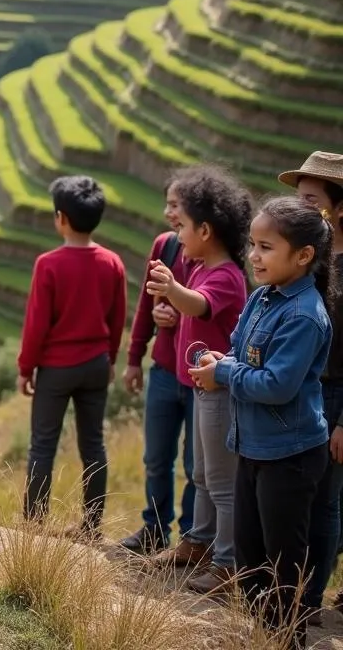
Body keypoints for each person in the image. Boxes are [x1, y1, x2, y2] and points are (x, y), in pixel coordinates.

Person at [191, 197, 336, 649]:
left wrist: (225, 374)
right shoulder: (261, 297)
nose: (254, 256)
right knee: (252, 562)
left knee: (282, 569)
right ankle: (266, 636)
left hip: (290, 457)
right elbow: (240, 349)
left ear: (303, 256)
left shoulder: (304, 314)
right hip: (252, 446)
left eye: (266, 247)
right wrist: (222, 360)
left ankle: (286, 640)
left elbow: (277, 384)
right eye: (253, 245)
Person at [145, 166, 251, 596]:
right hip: (201, 388)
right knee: (203, 474)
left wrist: (172, 289)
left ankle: (226, 563)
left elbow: (199, 306)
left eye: (184, 226)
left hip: (220, 391)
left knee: (221, 482)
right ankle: (198, 542)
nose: (178, 235)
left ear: (206, 230)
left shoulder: (223, 275)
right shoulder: (200, 265)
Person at [18, 175, 127, 541]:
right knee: (93, 444)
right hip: (96, 363)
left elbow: (37, 324)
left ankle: (33, 527)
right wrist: (110, 358)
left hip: (57, 368)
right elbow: (117, 317)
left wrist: (25, 367)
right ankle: (92, 527)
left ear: (61, 218)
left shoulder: (48, 264)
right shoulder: (112, 262)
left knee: (43, 445)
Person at [279, 153, 343, 624]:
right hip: (301, 389)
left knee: (324, 502)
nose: (299, 207)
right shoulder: (307, 259)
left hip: (335, 394)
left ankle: (310, 600)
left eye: (310, 200)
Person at [120, 172, 196, 555]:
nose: (168, 213)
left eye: (176, 206)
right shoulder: (164, 247)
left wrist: (179, 315)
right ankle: (154, 528)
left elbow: (218, 311)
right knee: (156, 456)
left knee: (196, 464)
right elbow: (145, 307)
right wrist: (134, 357)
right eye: (167, 204)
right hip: (165, 369)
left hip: (201, 378)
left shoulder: (217, 257)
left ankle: (192, 539)